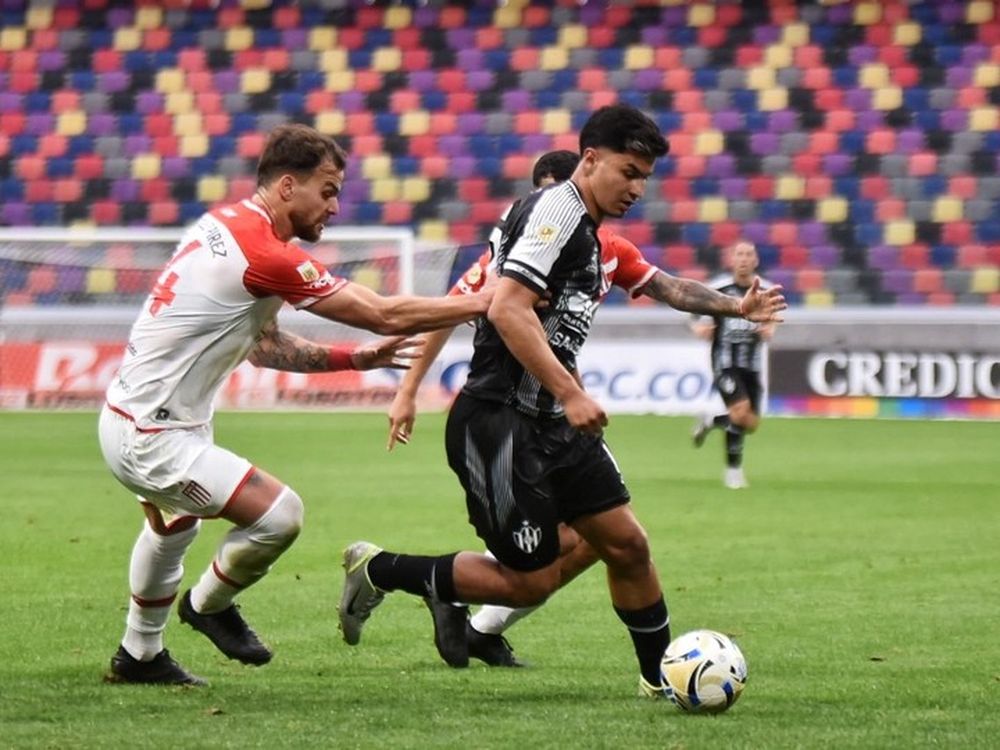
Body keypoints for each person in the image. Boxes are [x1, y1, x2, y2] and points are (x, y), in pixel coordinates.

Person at [338, 105, 784, 698]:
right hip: (499, 424)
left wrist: (736, 306)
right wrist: (570, 392)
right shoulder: (555, 211)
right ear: (590, 159)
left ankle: (660, 678)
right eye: (629, 171)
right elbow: (505, 307)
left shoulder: (598, 238)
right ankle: (379, 569)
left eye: (645, 177)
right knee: (529, 583)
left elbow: (670, 287)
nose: (637, 188)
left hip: (553, 425)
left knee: (627, 544)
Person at [98, 123, 494, 686]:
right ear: (287, 186)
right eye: (327, 190)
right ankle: (207, 606)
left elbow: (265, 347)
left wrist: (355, 361)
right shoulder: (265, 253)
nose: (334, 206)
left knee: (173, 528)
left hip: (136, 418)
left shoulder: (226, 226)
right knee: (279, 515)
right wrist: (483, 302)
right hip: (152, 435)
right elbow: (383, 312)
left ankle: (138, 655)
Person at [690, 240, 776, 489]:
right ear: (732, 259)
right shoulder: (718, 289)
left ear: (756, 260)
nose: (744, 259)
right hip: (725, 362)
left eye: (749, 254)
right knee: (739, 413)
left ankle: (712, 420)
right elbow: (693, 313)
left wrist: (771, 327)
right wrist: (699, 328)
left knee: (750, 422)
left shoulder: (765, 289)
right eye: (739, 254)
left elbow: (776, 315)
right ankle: (733, 472)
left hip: (753, 364)